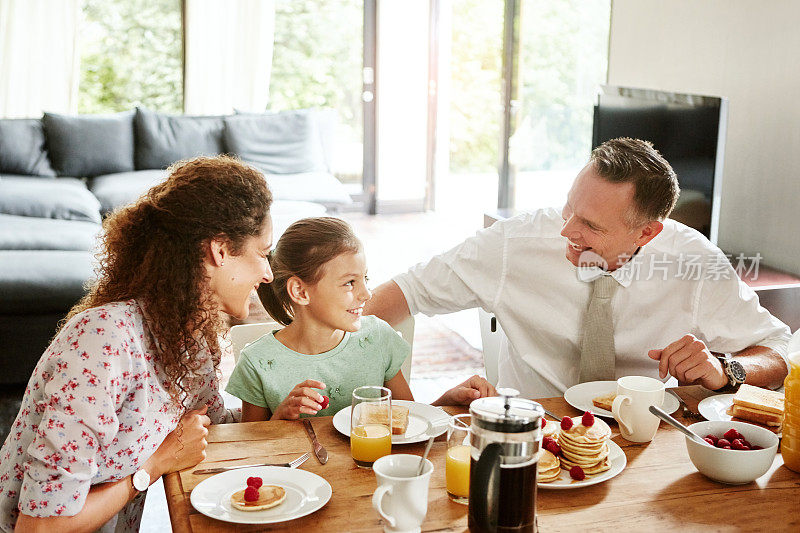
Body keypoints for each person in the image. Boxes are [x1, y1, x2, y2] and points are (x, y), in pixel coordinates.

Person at [365, 138, 791, 398]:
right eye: (570, 208)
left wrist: (726, 370)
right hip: (533, 431)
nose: (567, 229)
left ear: (646, 233)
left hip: (642, 436)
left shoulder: (694, 262)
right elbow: (405, 291)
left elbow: (778, 347)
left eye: (590, 224)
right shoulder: (516, 243)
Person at [0, 156, 274, 532]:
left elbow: (204, 427)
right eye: (262, 253)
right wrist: (152, 467)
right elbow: (39, 528)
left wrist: (276, 413)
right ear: (220, 251)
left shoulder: (190, 334)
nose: (268, 272)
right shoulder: (103, 340)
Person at [225, 217, 495, 422]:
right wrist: (280, 418)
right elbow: (254, 449)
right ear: (300, 291)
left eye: (364, 279)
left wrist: (448, 400)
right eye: (349, 283)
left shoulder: (377, 338)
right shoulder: (257, 363)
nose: (366, 294)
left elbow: (407, 420)